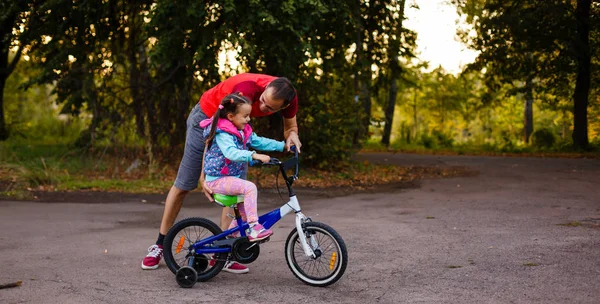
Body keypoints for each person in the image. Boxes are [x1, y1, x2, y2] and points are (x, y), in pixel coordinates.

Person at [141, 73, 302, 273]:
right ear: (264, 88)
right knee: (184, 183)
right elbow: (212, 139)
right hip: (209, 120)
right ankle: (159, 244)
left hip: (238, 127)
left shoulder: (288, 96)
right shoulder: (243, 89)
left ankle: (223, 253)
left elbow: (290, 128)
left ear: (284, 106)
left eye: (270, 108)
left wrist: (291, 138)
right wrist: (203, 176)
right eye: (262, 101)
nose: (262, 108)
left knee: (237, 193)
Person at [202, 93, 284, 241]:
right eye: (245, 116)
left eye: (249, 116)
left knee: (244, 216)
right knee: (250, 188)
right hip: (217, 180)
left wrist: (283, 146)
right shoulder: (223, 134)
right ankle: (254, 228)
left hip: (229, 179)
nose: (249, 119)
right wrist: (254, 155)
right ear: (231, 116)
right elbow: (230, 153)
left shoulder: (241, 131)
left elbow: (259, 141)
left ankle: (227, 248)